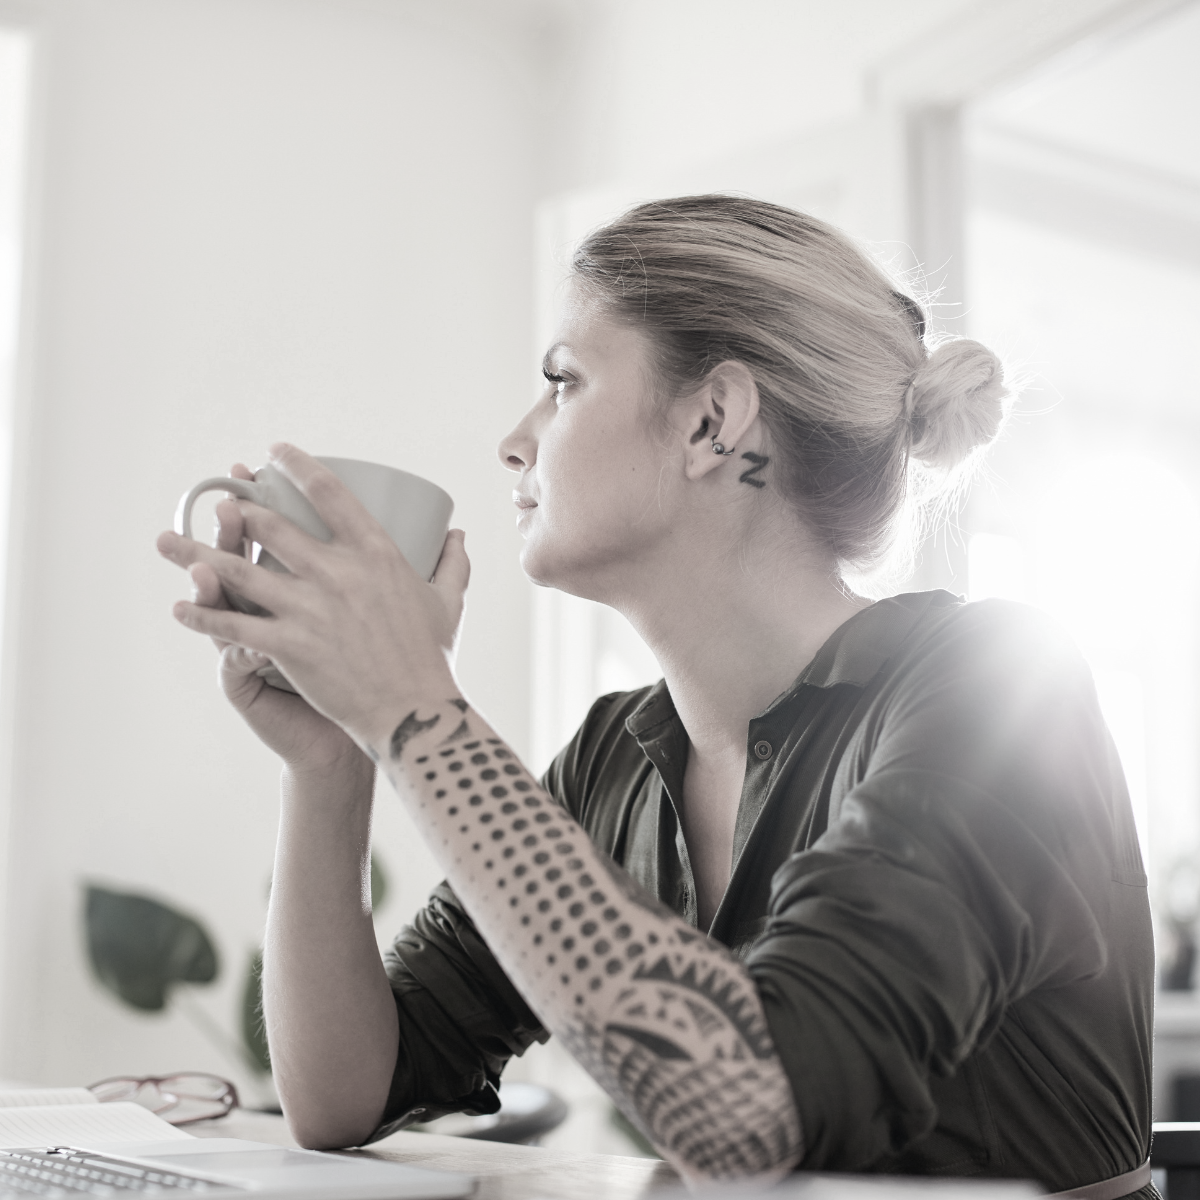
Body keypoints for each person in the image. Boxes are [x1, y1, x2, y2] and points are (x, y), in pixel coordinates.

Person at [156, 196, 1155, 1197]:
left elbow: (749, 1110)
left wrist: (413, 710)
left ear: (713, 422)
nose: (515, 441)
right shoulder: (615, 757)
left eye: (563, 384)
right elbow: (344, 1097)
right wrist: (333, 757)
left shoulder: (999, 689)